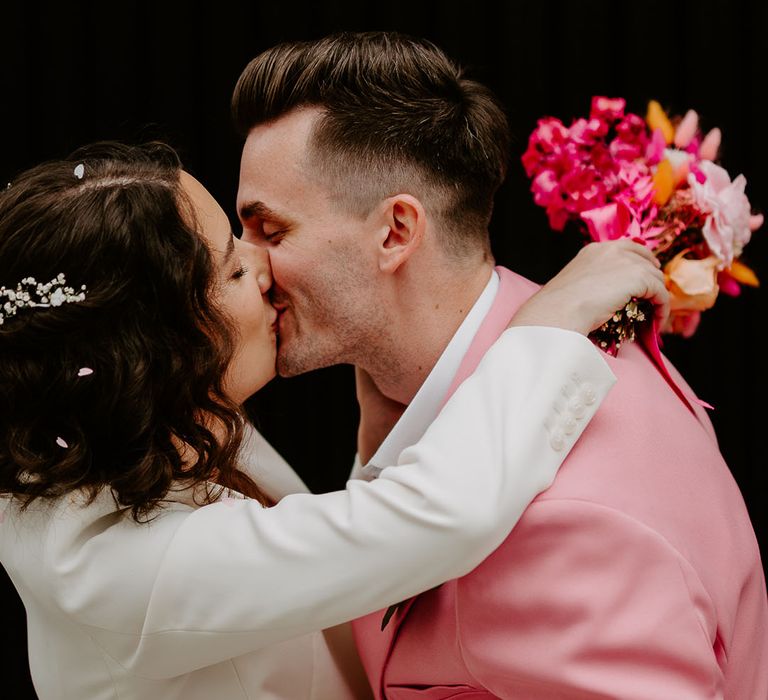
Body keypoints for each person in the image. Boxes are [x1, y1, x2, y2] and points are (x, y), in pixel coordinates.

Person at [0, 142, 667, 699]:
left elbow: (319, 563)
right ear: (157, 349)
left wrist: (375, 442)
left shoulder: (146, 431)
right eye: (231, 269)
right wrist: (546, 330)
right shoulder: (110, 570)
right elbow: (435, 519)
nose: (263, 266)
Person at [232, 31, 768, 698]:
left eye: (270, 232)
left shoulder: (568, 528)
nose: (245, 266)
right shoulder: (451, 364)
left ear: (395, 232)